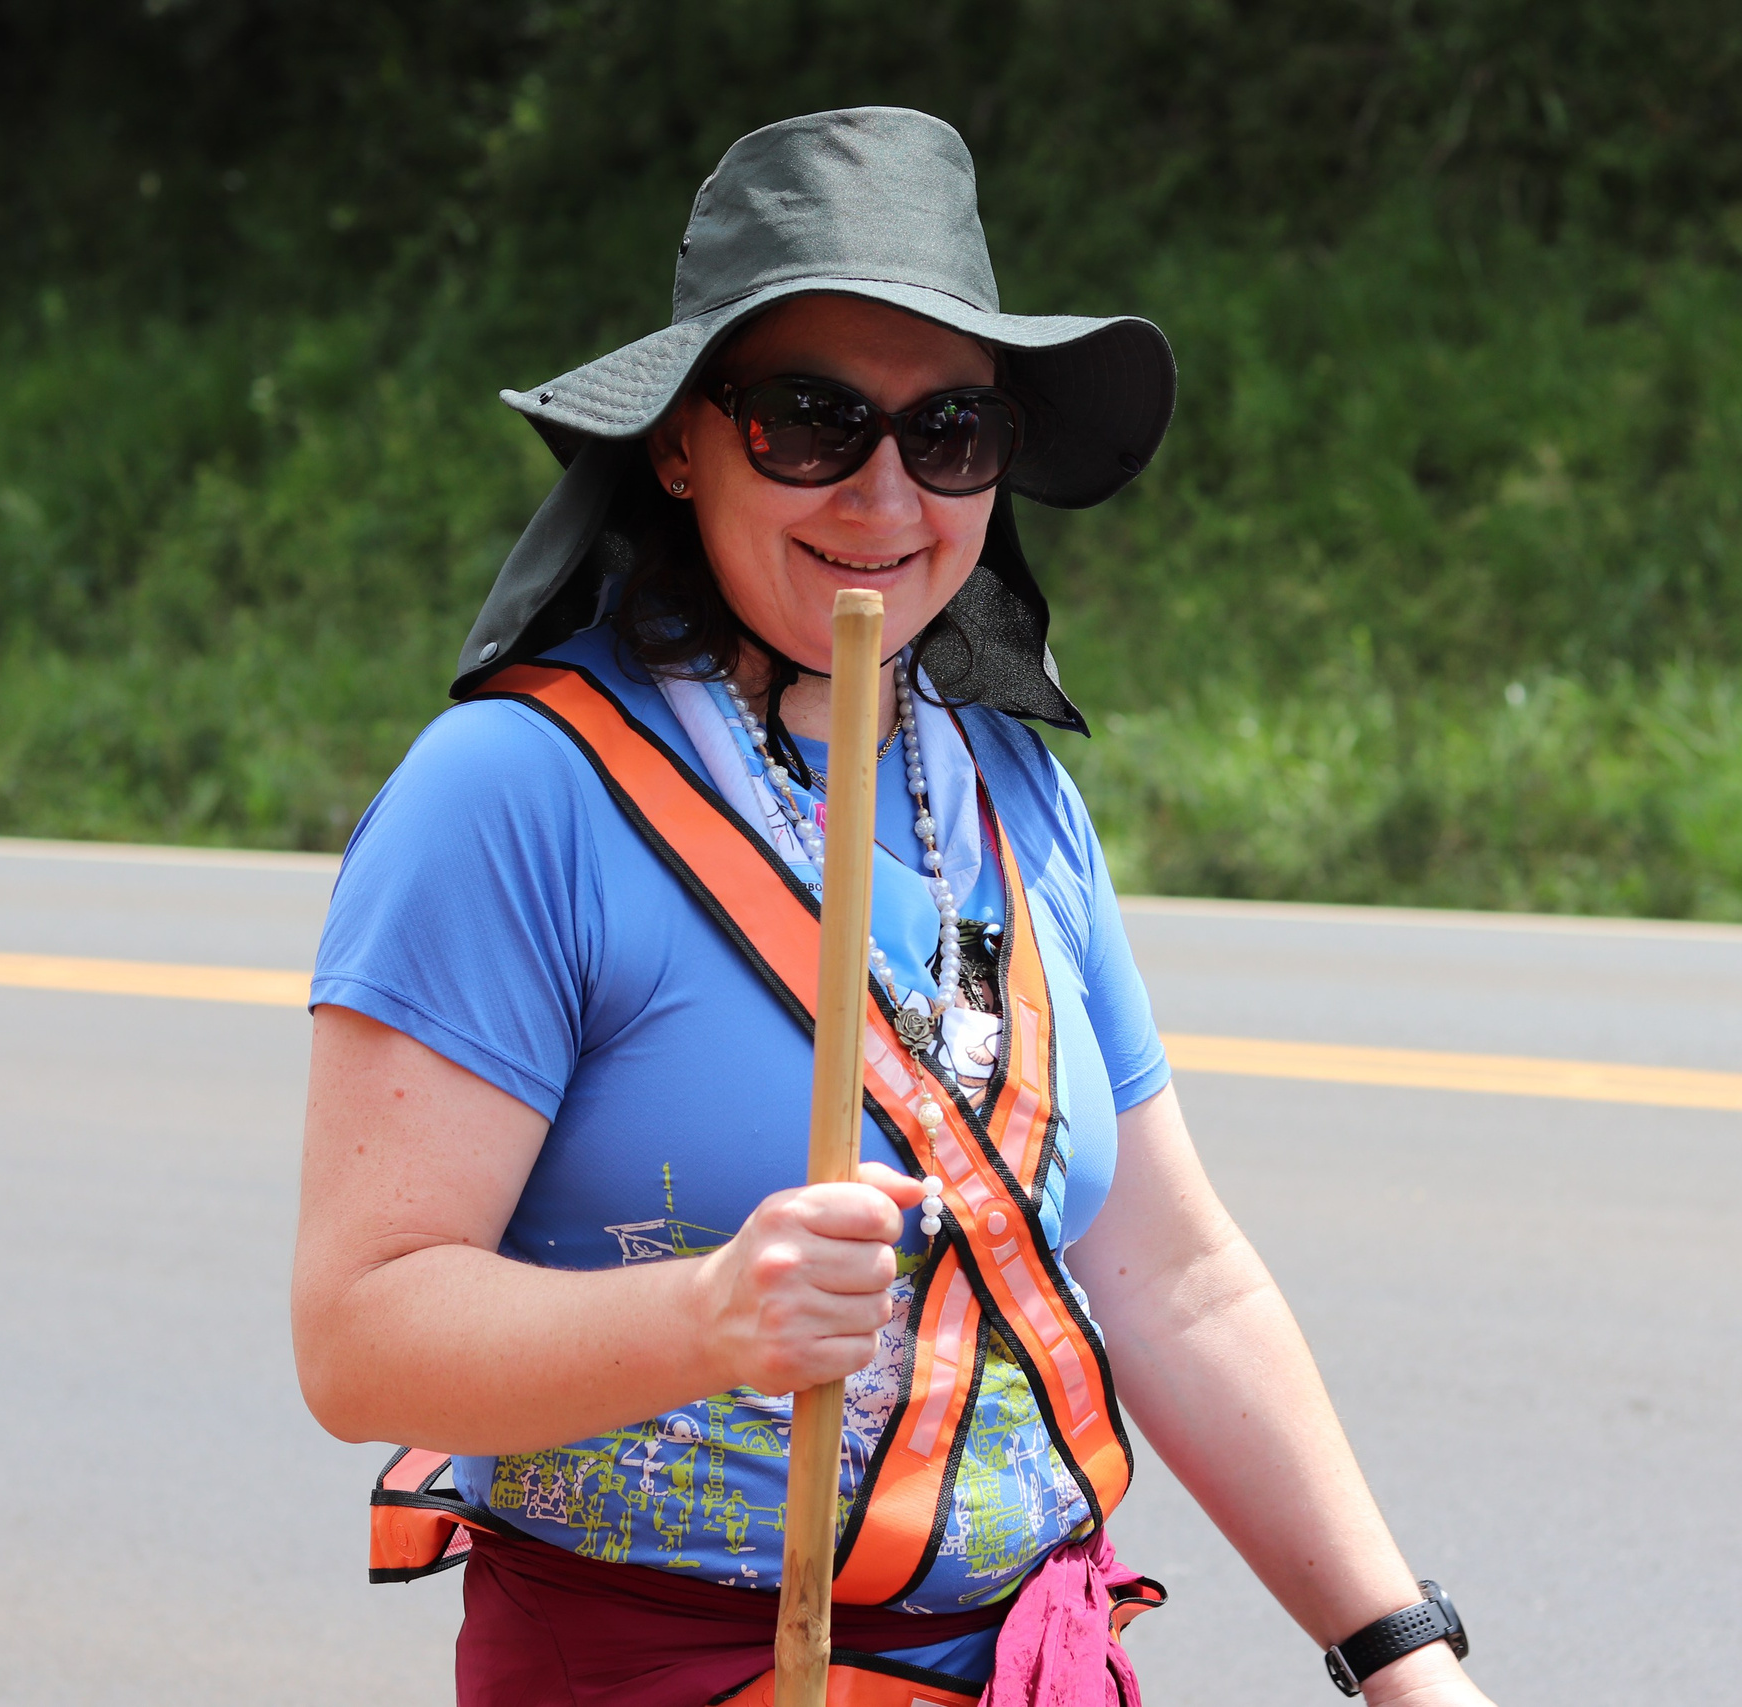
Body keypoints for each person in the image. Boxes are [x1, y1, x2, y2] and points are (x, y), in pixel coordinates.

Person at [293, 108, 1496, 1707]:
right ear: (681, 444)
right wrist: (708, 1315)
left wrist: (1404, 1658)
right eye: (808, 422)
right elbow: (359, 1338)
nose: (884, 493)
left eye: (950, 432)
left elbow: (1173, 1278)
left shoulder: (1010, 787)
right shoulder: (512, 795)